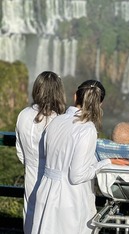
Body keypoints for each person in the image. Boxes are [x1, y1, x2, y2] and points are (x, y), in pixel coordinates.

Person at [31, 80, 129, 234]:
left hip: (46, 191)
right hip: (68, 198)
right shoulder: (87, 129)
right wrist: (106, 162)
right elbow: (77, 176)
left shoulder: (56, 121)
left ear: (75, 96)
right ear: (100, 104)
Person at [15, 71, 66, 234]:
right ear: (58, 92)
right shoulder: (58, 121)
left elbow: (20, 152)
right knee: (48, 222)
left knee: (30, 219)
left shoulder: (22, 115)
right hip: (52, 179)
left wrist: (32, 163)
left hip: (30, 172)